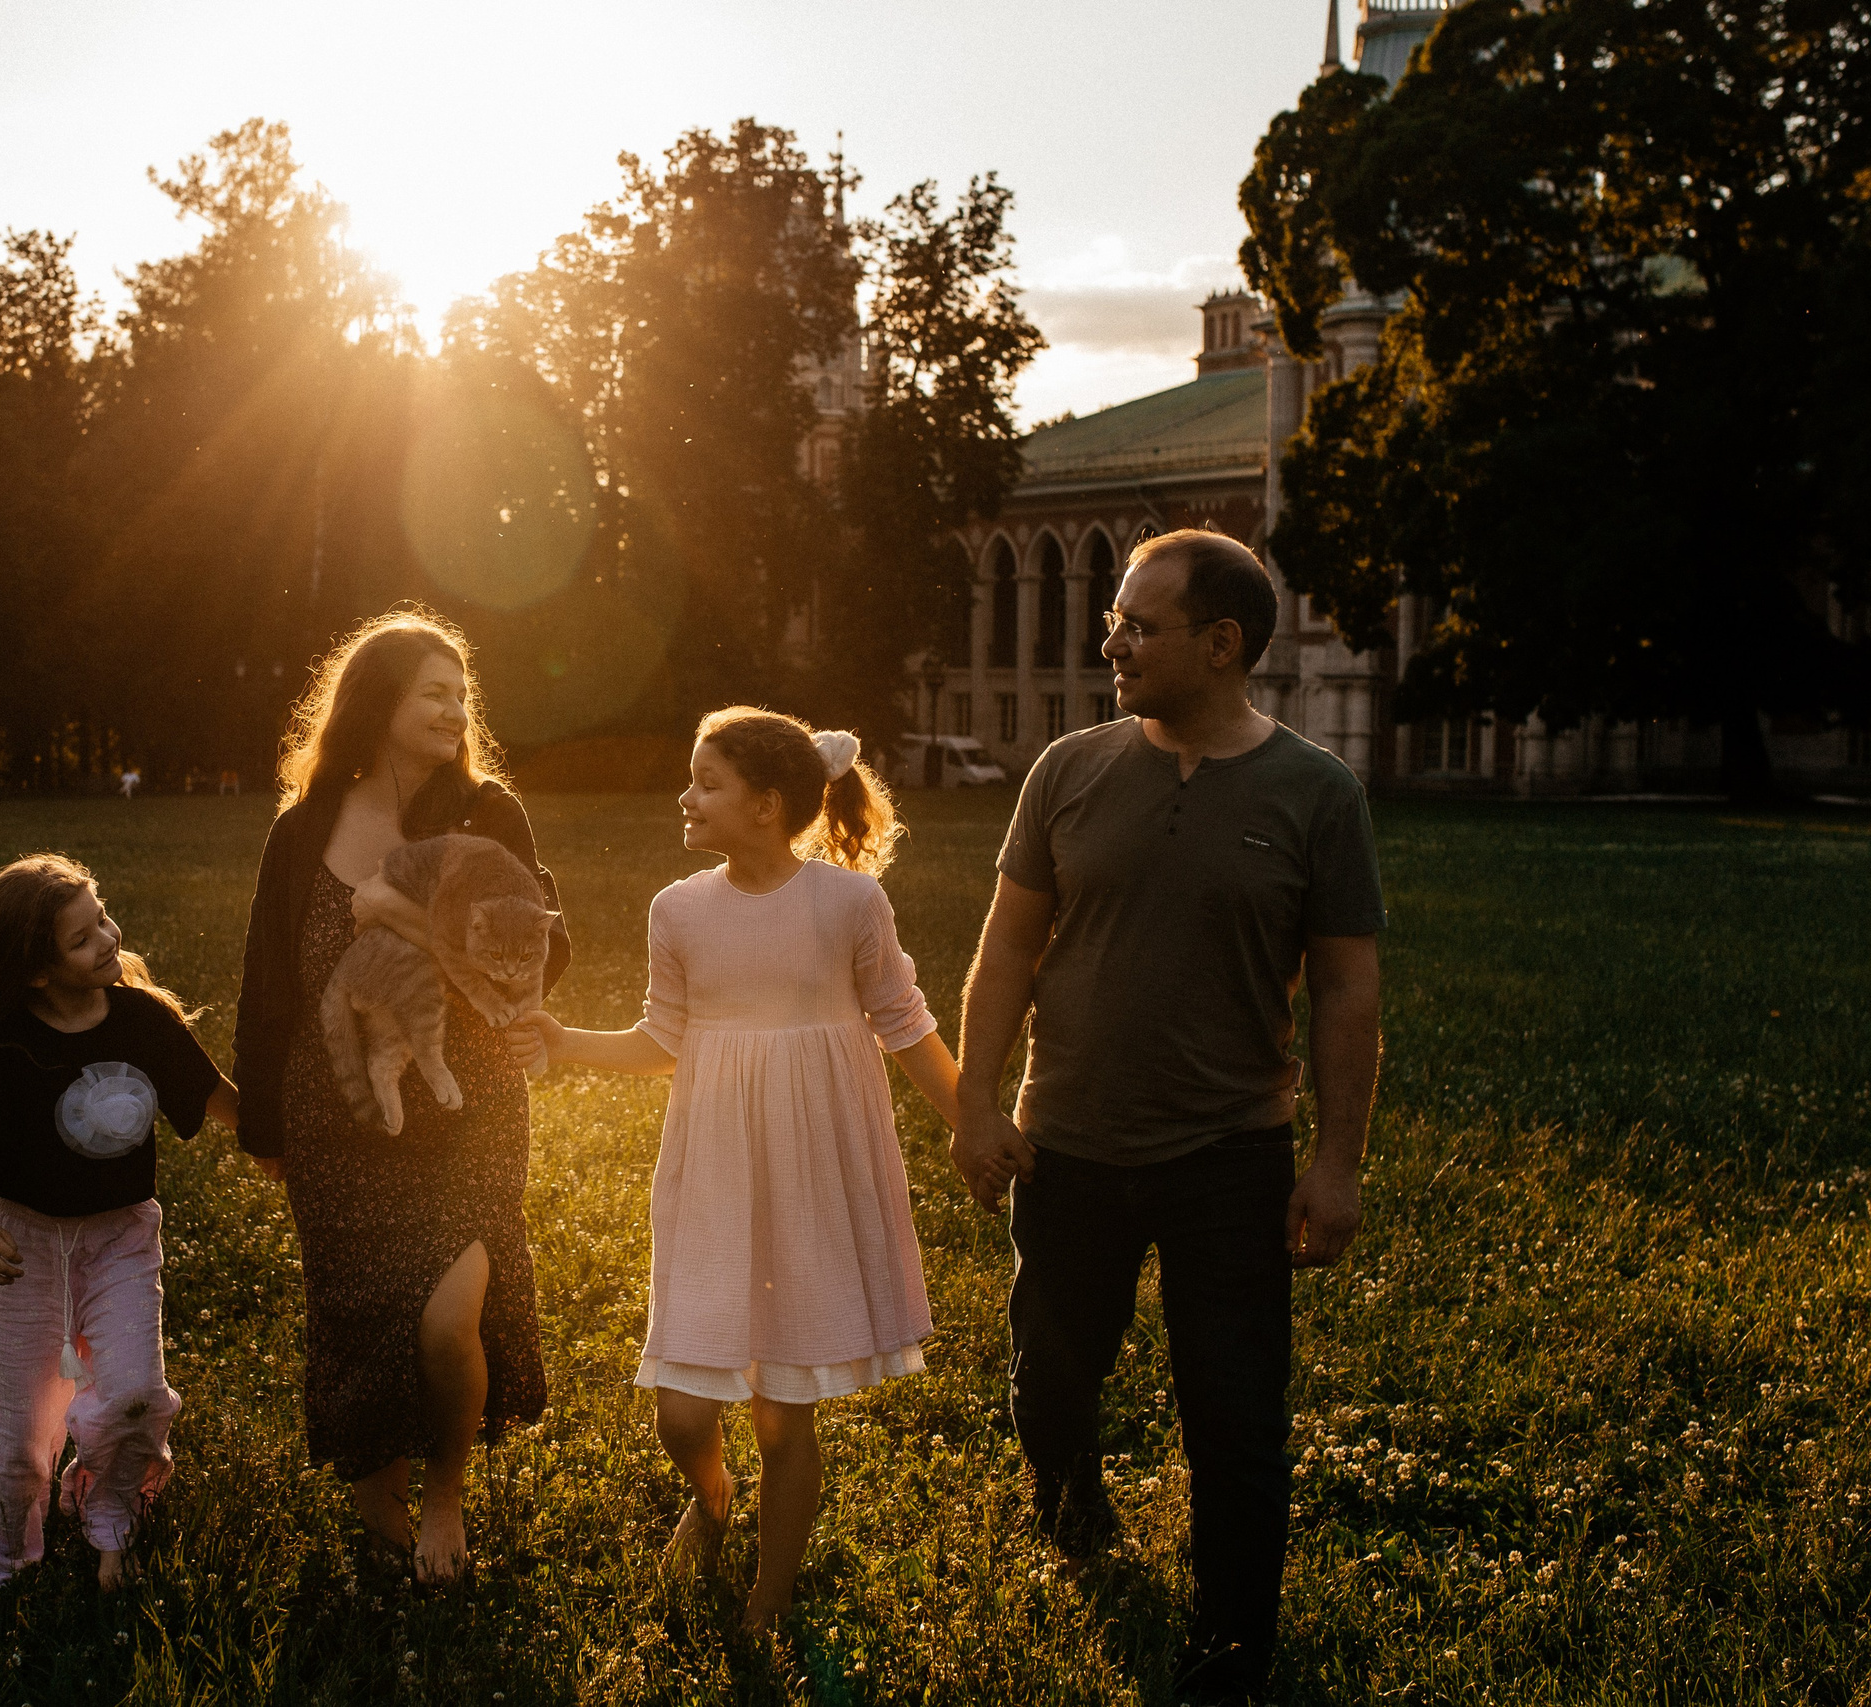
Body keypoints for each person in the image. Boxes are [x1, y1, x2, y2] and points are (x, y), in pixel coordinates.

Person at [952, 529, 1383, 1704]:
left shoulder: (1315, 793)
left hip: (1230, 1159)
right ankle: (1073, 1506)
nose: (1113, 641)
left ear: (1222, 643)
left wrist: (1335, 1166)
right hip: (1069, 1145)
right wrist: (976, 1105)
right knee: (1049, 1384)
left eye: (1140, 625)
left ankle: (1231, 1648)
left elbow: (1348, 987)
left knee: (1236, 1422)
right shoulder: (1067, 770)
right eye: (1114, 619)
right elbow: (1006, 951)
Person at [521, 707, 958, 1630]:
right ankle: (713, 1495)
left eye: (706, 781)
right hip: (713, 1168)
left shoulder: (848, 903)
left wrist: (974, 1121)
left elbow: (904, 1022)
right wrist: (564, 1041)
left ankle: (770, 1595)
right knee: (682, 1412)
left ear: (766, 805)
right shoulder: (678, 909)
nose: (686, 794)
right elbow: (661, 1039)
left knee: (780, 1410)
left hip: (812, 1174)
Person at [232, 609, 567, 1583]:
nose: (454, 709)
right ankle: (374, 1481)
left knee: (446, 1315)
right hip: (336, 1113)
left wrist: (406, 916)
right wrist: (263, 1121)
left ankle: (446, 1494)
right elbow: (268, 986)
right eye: (433, 691)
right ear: (377, 703)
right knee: (363, 1313)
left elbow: (544, 944)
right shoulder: (302, 834)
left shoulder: (488, 813)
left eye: (461, 693)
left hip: (469, 1111)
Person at [0, 853, 237, 1591]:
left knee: (132, 1394)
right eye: (84, 937)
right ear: (34, 970)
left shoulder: (143, 1022)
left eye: (103, 917)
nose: (109, 939)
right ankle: (7, 1562)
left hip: (121, 1235)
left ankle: (113, 1522)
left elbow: (218, 1097)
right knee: (20, 1429)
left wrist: (286, 1143)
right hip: (24, 1245)